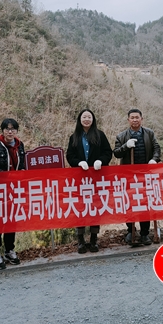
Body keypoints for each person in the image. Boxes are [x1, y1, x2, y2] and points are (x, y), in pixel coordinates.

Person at [66, 108, 112, 253]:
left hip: (96, 178)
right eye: (84, 117)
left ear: (93, 119)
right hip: (80, 179)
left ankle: (93, 239)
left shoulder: (100, 135)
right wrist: (78, 163)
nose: (86, 119)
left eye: (89, 117)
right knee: (80, 208)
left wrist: (101, 161)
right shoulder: (74, 137)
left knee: (95, 207)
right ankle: (80, 241)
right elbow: (70, 155)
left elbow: (108, 152)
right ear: (80, 119)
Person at [113, 108, 161, 246]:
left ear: (141, 119)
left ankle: (145, 233)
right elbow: (116, 153)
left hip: (146, 175)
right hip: (129, 176)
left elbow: (157, 148)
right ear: (128, 120)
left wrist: (154, 159)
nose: (135, 120)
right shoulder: (121, 136)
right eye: (132, 117)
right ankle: (131, 230)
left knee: (145, 203)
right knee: (129, 203)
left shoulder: (149, 133)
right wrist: (126, 146)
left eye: (137, 117)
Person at [0, 118, 25, 269]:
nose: (10, 131)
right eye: (7, 129)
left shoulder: (20, 145)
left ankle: (9, 250)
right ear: (2, 130)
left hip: (14, 189)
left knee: (11, 220)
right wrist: (7, 176)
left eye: (13, 129)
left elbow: (23, 164)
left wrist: (22, 173)